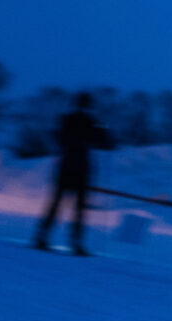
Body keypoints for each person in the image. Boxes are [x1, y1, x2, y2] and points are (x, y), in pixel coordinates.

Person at [33, 92, 112, 255]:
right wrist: (102, 130)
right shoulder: (92, 123)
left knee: (56, 204)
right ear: (89, 105)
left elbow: (59, 140)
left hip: (65, 166)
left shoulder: (66, 119)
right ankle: (75, 242)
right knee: (79, 209)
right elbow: (104, 142)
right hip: (81, 169)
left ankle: (42, 236)